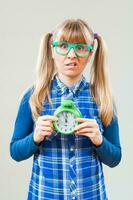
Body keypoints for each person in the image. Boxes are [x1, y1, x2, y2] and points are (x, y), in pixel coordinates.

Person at [10, 18, 122, 200]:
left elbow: (115, 158)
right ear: (52, 50)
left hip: (91, 195)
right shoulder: (34, 96)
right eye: (63, 46)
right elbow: (15, 152)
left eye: (80, 48)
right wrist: (35, 138)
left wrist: (99, 140)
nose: (71, 55)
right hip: (45, 195)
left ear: (90, 53)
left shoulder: (103, 98)